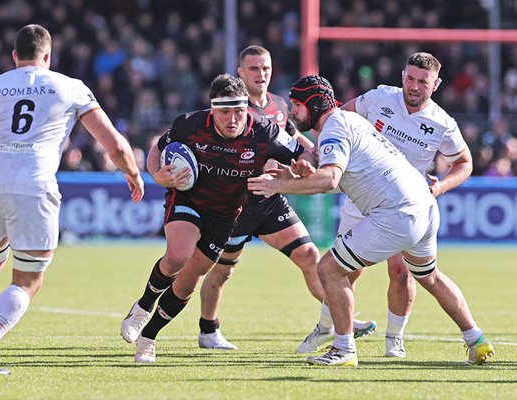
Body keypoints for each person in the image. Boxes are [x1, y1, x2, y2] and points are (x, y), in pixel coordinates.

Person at [0, 24, 144, 375]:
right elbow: (113, 143)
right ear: (48, 56)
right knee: (27, 280)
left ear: (14, 56)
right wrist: (131, 172)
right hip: (34, 183)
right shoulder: (70, 87)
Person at [247, 74, 494, 367]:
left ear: (312, 105)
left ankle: (343, 348)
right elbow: (347, 177)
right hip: (424, 206)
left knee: (329, 270)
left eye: (296, 105)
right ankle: (476, 339)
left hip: (397, 213)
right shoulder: (351, 122)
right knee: (430, 276)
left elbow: (330, 181)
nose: (293, 112)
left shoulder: (335, 128)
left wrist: (278, 186)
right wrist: (300, 176)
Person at [197, 45, 375, 352]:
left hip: (271, 197)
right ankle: (208, 329)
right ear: (240, 73)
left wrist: (314, 153)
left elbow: (293, 138)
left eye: (265, 68)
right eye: (253, 69)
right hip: (238, 201)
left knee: (309, 257)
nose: (261, 74)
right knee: (223, 270)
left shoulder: (279, 105)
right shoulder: (234, 108)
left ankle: (339, 317)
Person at [120, 73, 305, 363]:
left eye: (239, 111)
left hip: (226, 214)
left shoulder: (265, 131)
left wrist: (303, 168)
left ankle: (149, 337)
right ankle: (142, 307)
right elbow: (157, 147)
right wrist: (157, 174)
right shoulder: (191, 124)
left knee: (189, 281)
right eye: (225, 112)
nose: (232, 119)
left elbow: (304, 152)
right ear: (212, 109)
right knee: (178, 256)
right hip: (188, 198)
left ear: (247, 109)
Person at [307, 52, 474, 358]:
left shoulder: (441, 123)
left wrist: (441, 185)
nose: (413, 86)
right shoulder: (380, 97)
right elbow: (339, 118)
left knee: (401, 273)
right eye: (409, 78)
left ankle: (393, 339)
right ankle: (325, 328)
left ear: (435, 85)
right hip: (363, 195)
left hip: (402, 204)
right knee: (345, 271)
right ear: (401, 76)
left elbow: (464, 163)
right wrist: (317, 156)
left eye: (422, 81)